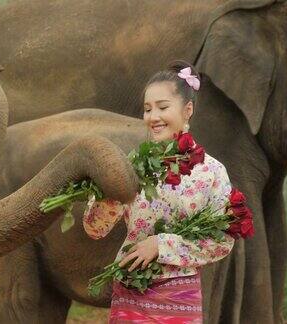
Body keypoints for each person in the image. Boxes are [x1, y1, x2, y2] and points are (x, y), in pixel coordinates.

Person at [83, 61, 234, 324]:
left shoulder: (211, 172)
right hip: (130, 295)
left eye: (163, 107)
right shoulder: (131, 167)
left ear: (187, 110)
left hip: (180, 300)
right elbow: (95, 228)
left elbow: (222, 241)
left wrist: (161, 245)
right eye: (147, 109)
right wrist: (109, 188)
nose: (153, 117)